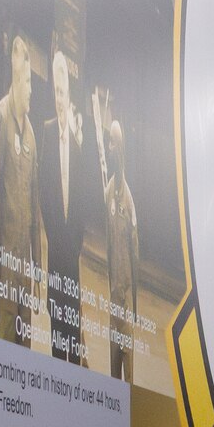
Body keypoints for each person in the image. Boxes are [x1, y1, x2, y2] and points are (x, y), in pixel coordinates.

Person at [36, 48, 95, 365]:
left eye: (63, 92)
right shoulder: (46, 132)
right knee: (55, 319)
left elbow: (84, 198)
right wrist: (55, 237)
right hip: (55, 248)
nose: (59, 98)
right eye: (56, 92)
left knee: (73, 320)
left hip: (71, 252)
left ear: (69, 94)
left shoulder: (77, 141)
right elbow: (44, 192)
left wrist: (75, 243)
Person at [0, 33, 41, 347]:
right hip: (6, 261)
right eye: (28, 80)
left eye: (32, 81)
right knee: (7, 340)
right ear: (16, 78)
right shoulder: (2, 115)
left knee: (26, 344)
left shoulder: (31, 134)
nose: (31, 88)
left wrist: (37, 268)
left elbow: (34, 206)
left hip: (24, 265)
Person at [92, 88, 138, 381]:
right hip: (113, 305)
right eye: (108, 142)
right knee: (112, 377)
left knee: (129, 379)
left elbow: (135, 254)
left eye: (114, 143)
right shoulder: (108, 192)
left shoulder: (128, 200)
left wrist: (134, 307)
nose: (111, 148)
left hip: (126, 307)